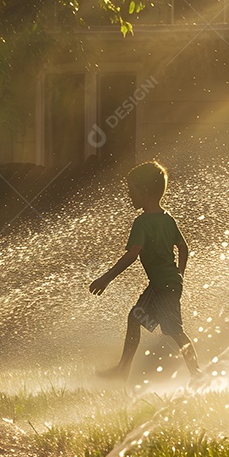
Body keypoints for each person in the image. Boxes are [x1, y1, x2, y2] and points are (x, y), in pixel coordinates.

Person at [89, 161, 202, 381]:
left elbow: (133, 254)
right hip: (171, 284)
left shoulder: (142, 222)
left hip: (160, 285)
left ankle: (123, 370)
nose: (129, 195)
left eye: (131, 190)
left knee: (136, 319)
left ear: (144, 191)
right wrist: (180, 275)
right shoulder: (168, 219)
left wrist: (106, 278)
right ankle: (196, 373)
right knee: (173, 331)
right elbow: (183, 247)